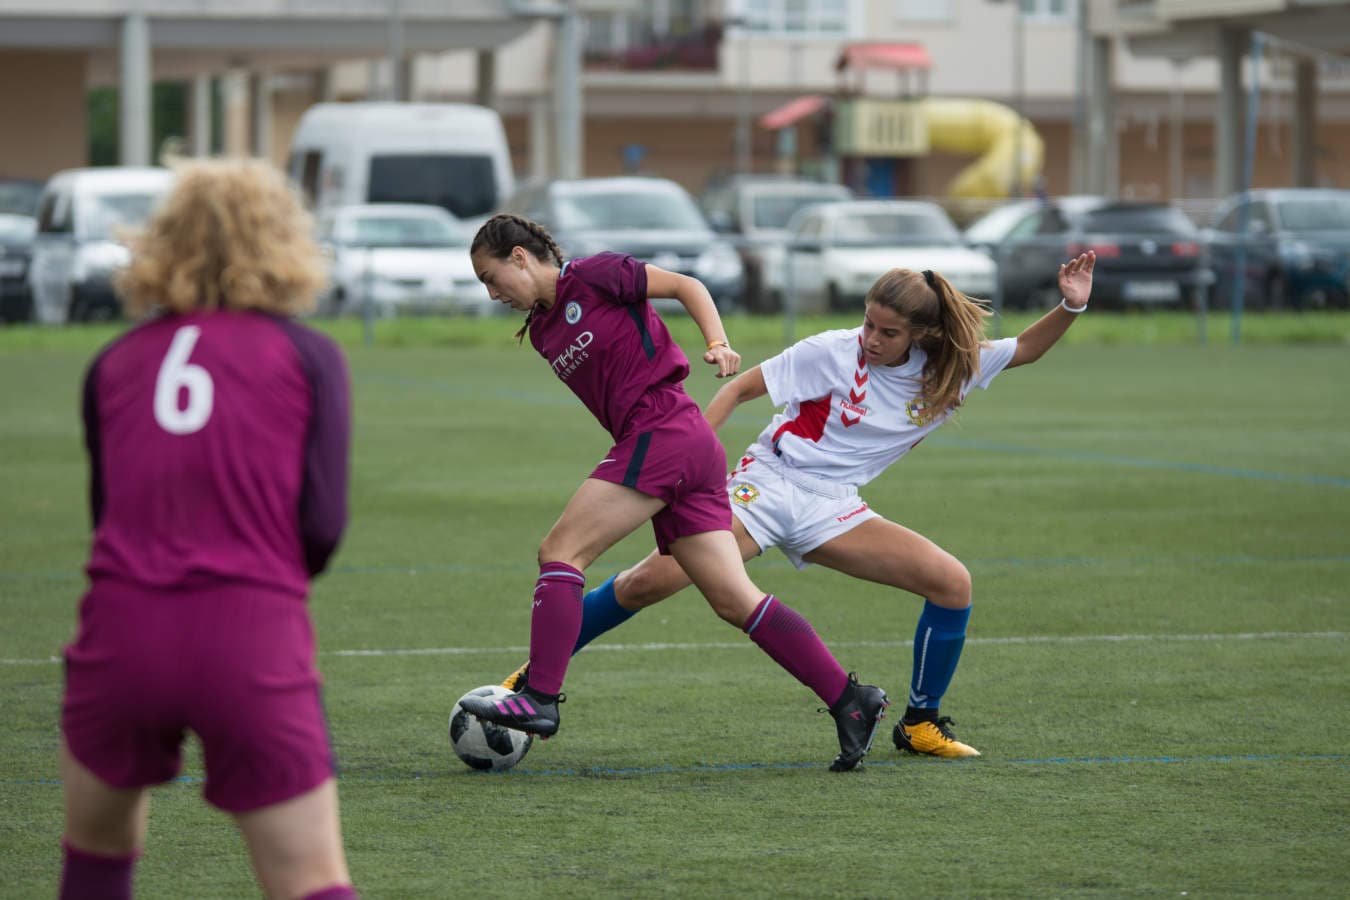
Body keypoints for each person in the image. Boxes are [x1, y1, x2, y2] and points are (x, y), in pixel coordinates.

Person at [501, 251, 1097, 759]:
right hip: (767, 485)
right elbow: (737, 389)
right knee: (646, 583)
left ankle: (919, 723)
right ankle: (536, 674)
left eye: (887, 332)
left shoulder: (951, 370)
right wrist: (693, 463)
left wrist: (1070, 305)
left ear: (921, 336)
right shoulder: (833, 351)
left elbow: (1024, 349)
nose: (871, 338)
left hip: (835, 508)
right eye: (868, 323)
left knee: (952, 583)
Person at [460, 213, 889, 773]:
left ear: (520, 256)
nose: (493, 294)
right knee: (735, 600)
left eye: (493, 278)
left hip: (663, 430)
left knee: (560, 552)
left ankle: (539, 696)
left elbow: (688, 286)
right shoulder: (543, 330)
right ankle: (850, 701)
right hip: (678, 445)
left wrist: (718, 343)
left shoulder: (595, 274)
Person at [59, 158, 358, 900]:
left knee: (95, 861)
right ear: (283, 240)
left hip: (119, 632)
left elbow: (108, 517)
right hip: (249, 631)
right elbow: (320, 528)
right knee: (311, 882)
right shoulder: (309, 354)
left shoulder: (113, 361)